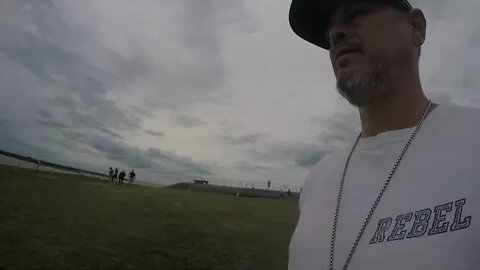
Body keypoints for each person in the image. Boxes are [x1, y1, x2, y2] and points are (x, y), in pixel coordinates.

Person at [288, 1, 479, 269]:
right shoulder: (318, 180)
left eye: (355, 14)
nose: (335, 35)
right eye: (328, 35)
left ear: (416, 28)